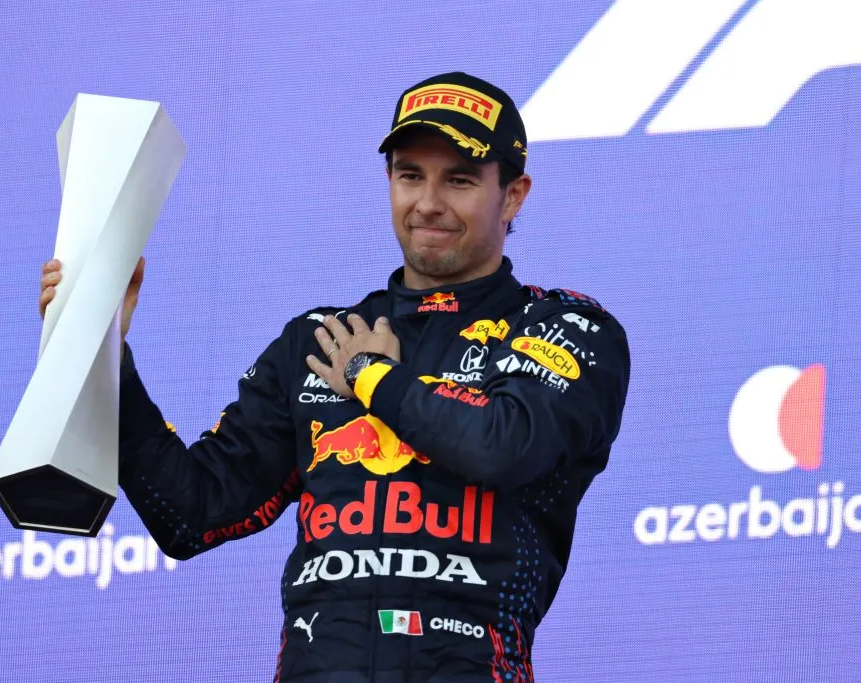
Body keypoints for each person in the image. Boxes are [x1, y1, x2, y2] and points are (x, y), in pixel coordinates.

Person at [39, 72, 630, 682]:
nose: (428, 202)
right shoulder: (317, 341)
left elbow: (501, 448)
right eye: (409, 175)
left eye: (458, 179)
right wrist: (105, 348)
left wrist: (372, 378)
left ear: (513, 195)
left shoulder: (563, 326)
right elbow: (193, 512)